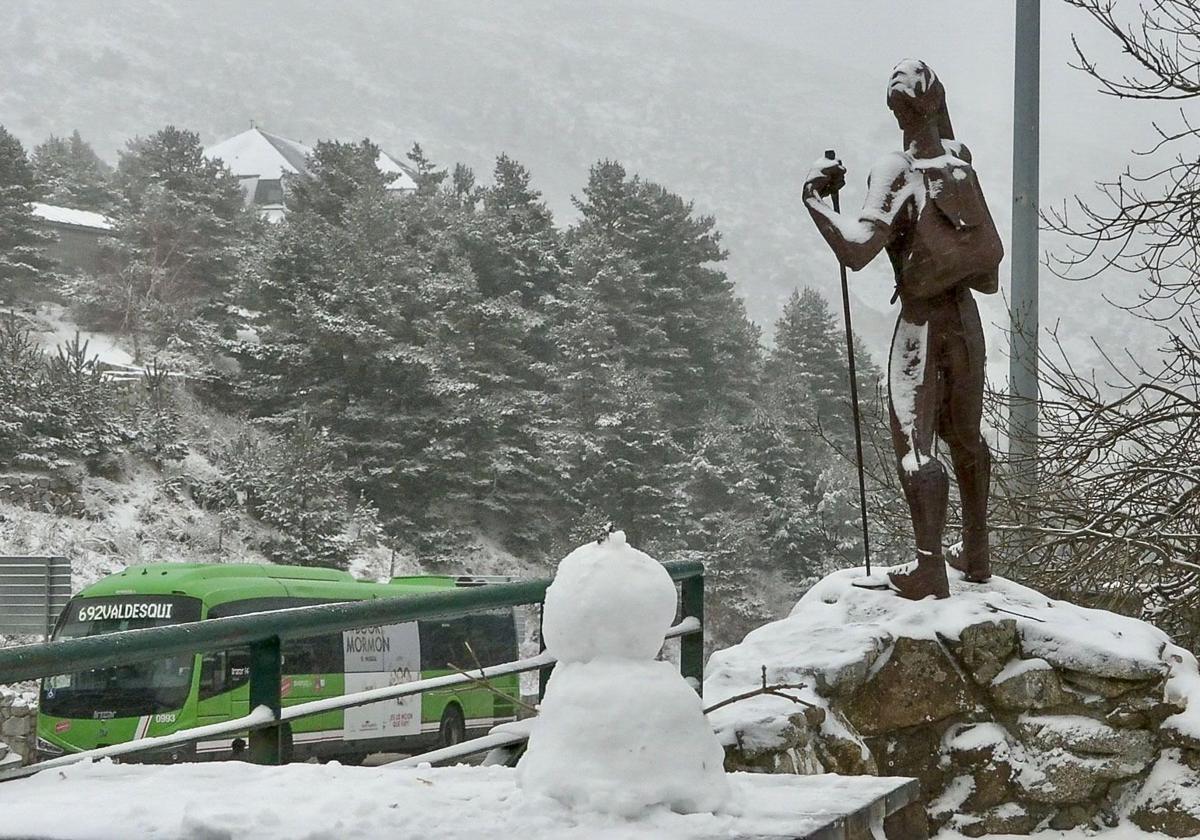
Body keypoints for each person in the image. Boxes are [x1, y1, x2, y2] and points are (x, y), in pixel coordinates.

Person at [803, 59, 1003, 600]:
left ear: (895, 109)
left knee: (915, 443)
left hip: (922, 322)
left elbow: (856, 249)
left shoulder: (896, 169)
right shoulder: (961, 164)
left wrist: (816, 200)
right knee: (966, 434)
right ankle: (977, 553)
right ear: (938, 102)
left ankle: (929, 567)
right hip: (967, 318)